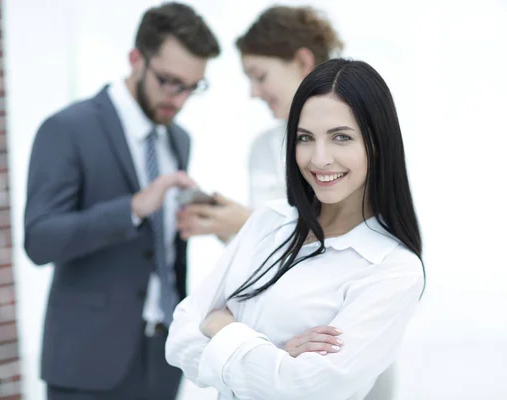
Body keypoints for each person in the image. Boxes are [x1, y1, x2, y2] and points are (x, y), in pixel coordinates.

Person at [169, 59, 425, 400]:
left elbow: (306, 389)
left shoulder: (393, 270)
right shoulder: (269, 221)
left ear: (377, 144)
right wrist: (277, 356)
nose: (319, 159)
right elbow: (180, 336)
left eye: (341, 138)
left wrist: (223, 328)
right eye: (305, 138)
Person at [23, 3, 219, 399]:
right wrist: (132, 208)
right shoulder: (67, 128)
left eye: (192, 87)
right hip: (87, 365)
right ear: (136, 59)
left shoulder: (179, 139)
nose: (179, 100)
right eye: (169, 82)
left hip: (162, 360)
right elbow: (39, 240)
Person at [177, 5, 344, 242]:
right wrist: (226, 226)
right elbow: (269, 252)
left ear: (301, 62)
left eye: (260, 76)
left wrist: (246, 221)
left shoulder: (357, 136)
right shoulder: (264, 146)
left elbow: (344, 237)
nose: (253, 93)